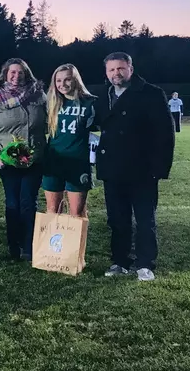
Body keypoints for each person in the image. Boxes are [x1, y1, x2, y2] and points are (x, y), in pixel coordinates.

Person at [95, 52, 174, 281]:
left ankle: (145, 263)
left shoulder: (151, 93)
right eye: (111, 70)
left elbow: (165, 134)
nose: (115, 73)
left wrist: (159, 169)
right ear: (106, 72)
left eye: (120, 68)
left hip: (142, 170)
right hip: (112, 169)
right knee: (117, 220)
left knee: (145, 220)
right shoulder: (103, 95)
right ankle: (120, 261)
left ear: (130, 68)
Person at [0, 58, 47, 262]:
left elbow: (50, 124)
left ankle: (29, 246)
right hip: (8, 162)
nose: (16, 76)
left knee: (28, 202)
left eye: (20, 73)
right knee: (12, 204)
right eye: (12, 73)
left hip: (34, 160)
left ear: (26, 74)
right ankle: (13, 246)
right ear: (5, 74)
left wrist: (39, 151)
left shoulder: (38, 96)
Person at [42, 64, 96, 217]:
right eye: (58, 80)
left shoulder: (91, 103)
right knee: (52, 211)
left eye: (67, 80)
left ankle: (77, 242)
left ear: (76, 80)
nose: (62, 84)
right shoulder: (52, 101)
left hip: (78, 162)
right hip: (53, 161)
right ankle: (53, 242)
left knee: (77, 213)